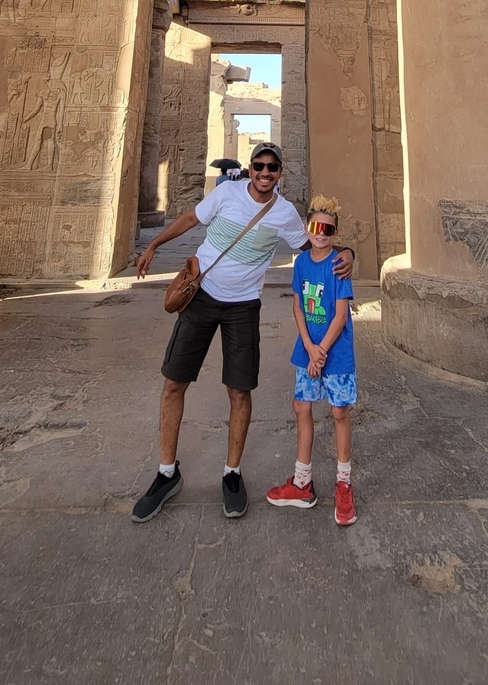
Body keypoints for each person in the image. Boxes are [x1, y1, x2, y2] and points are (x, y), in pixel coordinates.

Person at [131, 145, 354, 523]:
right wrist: (154, 244)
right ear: (251, 169)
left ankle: (231, 474)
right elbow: (189, 218)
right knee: (173, 383)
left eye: (272, 167)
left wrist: (348, 253)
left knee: (239, 390)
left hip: (243, 306)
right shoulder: (227, 192)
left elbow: (316, 246)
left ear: (280, 173)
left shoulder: (284, 214)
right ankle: (166, 473)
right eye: (259, 165)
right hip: (201, 296)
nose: (265, 172)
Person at [266, 195, 358, 527]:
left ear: (335, 233)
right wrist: (308, 345)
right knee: (302, 407)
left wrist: (320, 350)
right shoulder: (302, 262)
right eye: (316, 226)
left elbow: (340, 313)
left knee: (338, 412)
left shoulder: (338, 264)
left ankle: (344, 483)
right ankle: (302, 481)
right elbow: (297, 305)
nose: (321, 233)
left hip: (335, 350)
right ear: (308, 228)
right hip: (309, 348)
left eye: (328, 229)